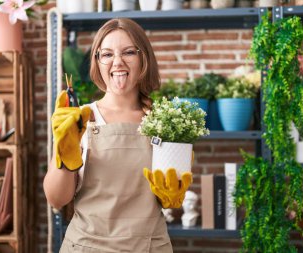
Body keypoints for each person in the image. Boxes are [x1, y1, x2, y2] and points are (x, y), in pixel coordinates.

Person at [44, 18, 192, 253]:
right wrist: (66, 156)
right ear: (97, 61)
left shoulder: (164, 120)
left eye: (128, 52)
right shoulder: (79, 119)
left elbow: (170, 195)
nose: (117, 62)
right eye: (107, 54)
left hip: (149, 247)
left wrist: (174, 194)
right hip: (86, 247)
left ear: (143, 58)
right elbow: (57, 199)